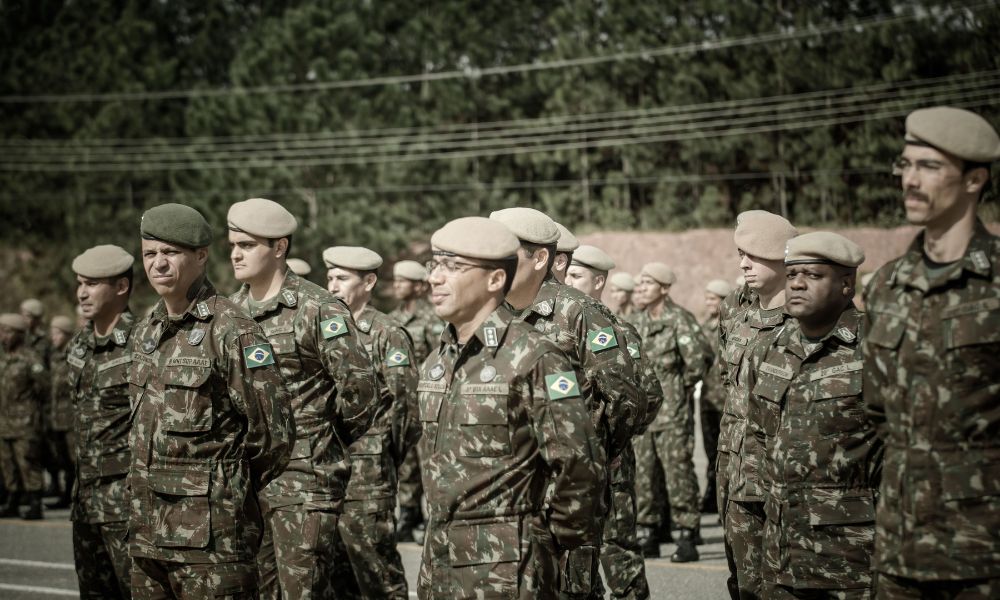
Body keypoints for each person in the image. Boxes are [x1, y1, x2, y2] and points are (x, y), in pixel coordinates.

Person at [415, 216, 604, 598]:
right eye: (434, 265)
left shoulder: (532, 356)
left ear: (495, 280)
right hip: (439, 564)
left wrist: (543, 545)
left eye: (452, 267)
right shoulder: (439, 359)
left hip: (507, 569)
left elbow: (579, 467)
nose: (435, 278)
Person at [863, 106, 1000, 599]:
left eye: (929, 167)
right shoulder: (885, 287)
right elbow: (878, 410)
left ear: (973, 179)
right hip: (899, 550)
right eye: (905, 165)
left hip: (983, 554)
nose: (910, 181)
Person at [128, 202, 294, 598]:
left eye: (171, 253)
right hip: (146, 535)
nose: (159, 264)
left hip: (212, 544)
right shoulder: (145, 333)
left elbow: (274, 436)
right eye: (150, 254)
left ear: (201, 256)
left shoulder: (233, 330)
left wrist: (228, 490)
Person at [226, 198, 378, 600]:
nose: (235, 254)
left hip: (304, 482)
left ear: (279, 247)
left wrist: (324, 441)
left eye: (247, 245)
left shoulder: (317, 308)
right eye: (233, 244)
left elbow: (361, 391)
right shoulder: (230, 313)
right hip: (246, 484)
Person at [748, 232, 880, 599]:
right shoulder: (774, 346)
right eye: (791, 275)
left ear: (846, 284)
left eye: (813, 275)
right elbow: (761, 434)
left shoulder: (875, 347)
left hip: (852, 560)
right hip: (781, 557)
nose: (798, 284)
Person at [566, 244, 663, 599]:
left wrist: (612, 442)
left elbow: (646, 395)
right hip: (571, 464)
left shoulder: (616, 328)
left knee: (618, 549)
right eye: (567, 274)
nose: (567, 281)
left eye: (576, 275)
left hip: (611, 461)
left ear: (598, 282)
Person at [323, 245, 417, 599]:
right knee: (335, 574)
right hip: (328, 469)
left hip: (370, 471)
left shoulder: (386, 333)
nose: (332, 286)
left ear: (369, 282)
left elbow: (407, 407)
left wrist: (385, 454)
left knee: (376, 570)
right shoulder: (327, 330)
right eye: (330, 277)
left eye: (342, 278)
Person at [717, 209, 798, 600]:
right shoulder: (735, 311)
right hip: (733, 473)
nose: (744, 263)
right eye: (741, 254)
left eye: (755, 254)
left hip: (779, 479)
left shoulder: (802, 321)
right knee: (743, 585)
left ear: (782, 258)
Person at [67, 244, 137, 597]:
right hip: (85, 501)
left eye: (93, 284)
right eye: (80, 283)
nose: (82, 292)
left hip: (126, 503)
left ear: (121, 287)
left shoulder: (141, 343)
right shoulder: (78, 346)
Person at [631, 262, 713, 562]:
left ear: (664, 288)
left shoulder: (679, 319)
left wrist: (678, 388)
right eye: (640, 283)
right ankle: (649, 532)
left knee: (678, 473)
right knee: (644, 475)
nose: (641, 287)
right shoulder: (636, 322)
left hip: (673, 413)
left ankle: (687, 535)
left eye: (648, 283)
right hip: (645, 415)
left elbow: (699, 360)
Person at [388, 259, 442, 543]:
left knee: (426, 461)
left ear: (419, 286)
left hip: (425, 401)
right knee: (406, 462)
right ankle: (408, 515)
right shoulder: (392, 319)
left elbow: (441, 360)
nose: (397, 285)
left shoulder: (433, 319)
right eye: (395, 280)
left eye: (403, 280)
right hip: (401, 403)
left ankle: (432, 517)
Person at [0, 313, 46, 520]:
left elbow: (44, 388)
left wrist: (35, 414)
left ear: (19, 334)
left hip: (25, 421)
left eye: (7, 331)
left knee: (28, 462)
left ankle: (35, 503)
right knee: (7, 463)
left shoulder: (31, 358)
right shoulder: (3, 358)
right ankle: (12, 501)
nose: (3, 336)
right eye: (1, 331)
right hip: (4, 421)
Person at [699, 279, 732, 514]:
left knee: (726, 451)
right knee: (710, 449)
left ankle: (725, 495)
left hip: (726, 399)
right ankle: (712, 494)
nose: (709, 303)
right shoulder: (706, 326)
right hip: (708, 398)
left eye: (713, 299)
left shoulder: (731, 325)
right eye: (708, 298)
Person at [45, 315, 76, 509]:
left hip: (71, 417)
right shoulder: (55, 356)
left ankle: (72, 495)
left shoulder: (73, 354)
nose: (53, 337)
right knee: (63, 459)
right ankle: (66, 495)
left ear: (65, 334)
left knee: (74, 460)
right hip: (57, 417)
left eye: (56, 333)